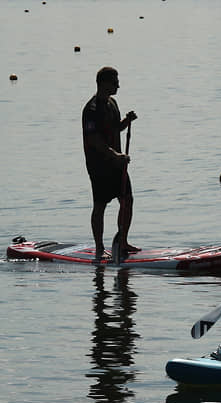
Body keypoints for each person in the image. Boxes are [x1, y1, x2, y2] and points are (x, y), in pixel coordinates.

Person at [82, 66, 138, 261]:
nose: (118, 85)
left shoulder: (112, 103)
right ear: (103, 83)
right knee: (100, 205)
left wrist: (126, 121)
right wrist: (115, 155)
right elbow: (94, 140)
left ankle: (122, 241)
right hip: (100, 167)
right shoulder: (92, 109)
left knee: (127, 201)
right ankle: (99, 248)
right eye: (115, 82)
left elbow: (115, 129)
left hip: (117, 164)